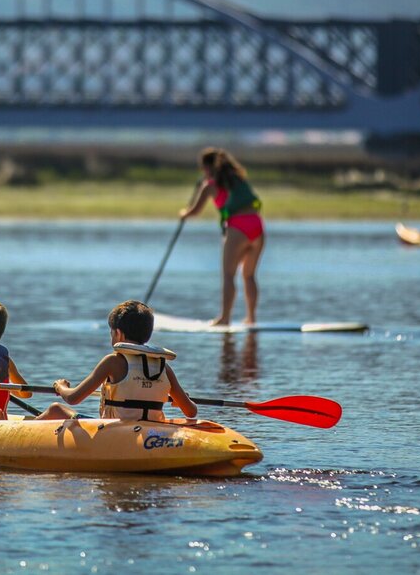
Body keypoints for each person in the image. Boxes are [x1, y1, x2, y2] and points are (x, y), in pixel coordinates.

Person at [35, 300, 198, 421]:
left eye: (111, 333)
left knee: (55, 409)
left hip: (115, 432)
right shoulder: (164, 368)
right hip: (151, 430)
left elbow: (73, 398)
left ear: (118, 333)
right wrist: (179, 401)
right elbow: (191, 412)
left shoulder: (113, 362)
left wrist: (60, 387)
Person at [179, 147, 266, 326]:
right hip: (257, 225)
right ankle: (251, 318)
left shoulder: (210, 186)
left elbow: (195, 211)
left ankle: (225, 318)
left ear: (207, 168)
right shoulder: (238, 179)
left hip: (238, 227)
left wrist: (183, 214)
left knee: (228, 276)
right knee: (249, 275)